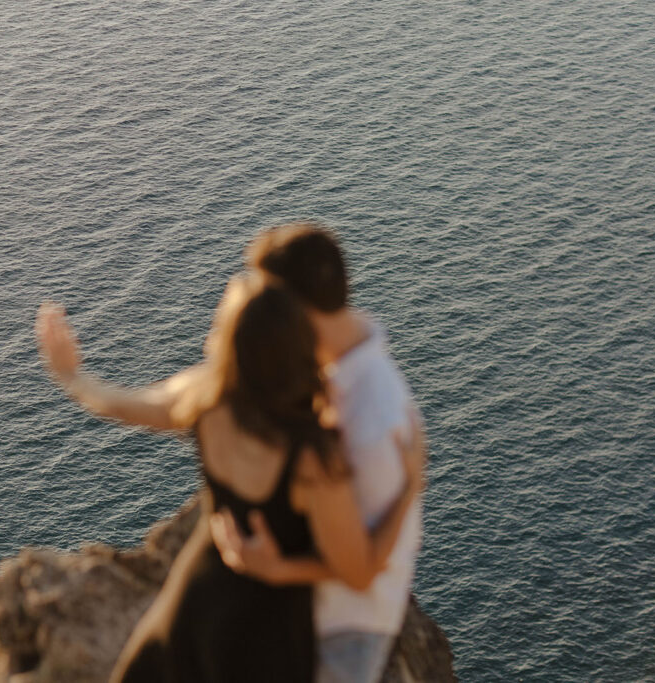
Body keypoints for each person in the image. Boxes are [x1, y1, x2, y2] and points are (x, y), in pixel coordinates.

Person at [38, 270, 424, 683]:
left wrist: (69, 375)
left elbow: (121, 404)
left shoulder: (206, 402)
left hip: (192, 603)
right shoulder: (311, 458)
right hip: (267, 633)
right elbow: (359, 571)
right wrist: (409, 491)